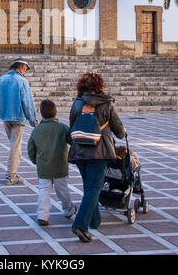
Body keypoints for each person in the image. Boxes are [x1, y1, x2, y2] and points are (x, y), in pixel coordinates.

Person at [69, 72, 126, 242]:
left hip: (79, 151)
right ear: (100, 85)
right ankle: (80, 225)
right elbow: (119, 131)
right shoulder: (107, 104)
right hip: (99, 152)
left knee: (89, 186)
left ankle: (94, 220)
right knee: (94, 188)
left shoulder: (77, 104)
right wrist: (123, 133)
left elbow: (72, 126)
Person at [27, 99, 77, 226]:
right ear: (56, 112)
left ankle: (42, 215)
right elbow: (73, 142)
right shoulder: (62, 128)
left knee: (44, 190)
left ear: (41, 114)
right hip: (60, 165)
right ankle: (68, 209)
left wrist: (36, 161)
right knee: (63, 190)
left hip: (44, 167)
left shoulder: (37, 130)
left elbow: (30, 148)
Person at [0, 57, 37, 185]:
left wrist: (1, 112)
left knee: (13, 145)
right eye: (25, 69)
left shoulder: (2, 79)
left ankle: (12, 173)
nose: (25, 72)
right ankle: (12, 175)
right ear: (21, 67)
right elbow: (27, 103)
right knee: (15, 147)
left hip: (6, 117)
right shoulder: (21, 81)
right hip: (18, 118)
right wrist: (33, 120)